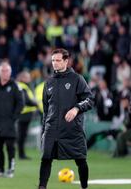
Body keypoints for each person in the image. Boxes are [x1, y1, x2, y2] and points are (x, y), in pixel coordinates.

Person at [38, 48, 94, 189]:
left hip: (72, 128)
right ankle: (42, 187)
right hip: (52, 128)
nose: (55, 63)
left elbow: (89, 100)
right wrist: (44, 130)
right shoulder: (49, 83)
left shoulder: (77, 79)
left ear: (66, 61)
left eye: (58, 60)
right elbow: (46, 110)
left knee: (81, 160)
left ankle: (84, 187)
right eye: (53, 61)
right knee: (45, 159)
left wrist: (76, 108)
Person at [0, 61, 24, 178]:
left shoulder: (15, 86)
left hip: (9, 122)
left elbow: (20, 103)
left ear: (10, 72)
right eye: (2, 71)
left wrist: (15, 116)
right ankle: (1, 169)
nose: (5, 73)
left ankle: (11, 169)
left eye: (7, 70)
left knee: (10, 146)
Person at [16, 71, 38, 160]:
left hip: (25, 114)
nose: (29, 79)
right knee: (22, 135)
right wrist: (36, 104)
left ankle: (21, 154)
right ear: (22, 78)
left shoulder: (23, 86)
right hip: (24, 114)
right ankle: (21, 155)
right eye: (27, 77)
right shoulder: (22, 86)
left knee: (22, 135)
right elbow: (26, 101)